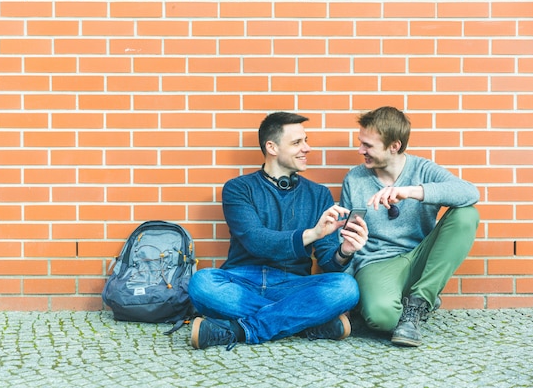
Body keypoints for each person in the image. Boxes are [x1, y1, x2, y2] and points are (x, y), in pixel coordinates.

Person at [188, 111, 368, 350]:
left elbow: (329, 262)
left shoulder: (319, 194)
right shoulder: (238, 189)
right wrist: (312, 234)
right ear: (272, 147)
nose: (307, 148)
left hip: (293, 285)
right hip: (242, 281)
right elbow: (257, 240)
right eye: (297, 142)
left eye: (305, 140)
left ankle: (240, 329)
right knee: (202, 283)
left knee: (345, 287)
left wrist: (344, 251)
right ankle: (305, 322)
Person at [339, 106, 480, 347]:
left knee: (466, 214)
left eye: (368, 145)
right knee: (381, 317)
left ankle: (418, 302)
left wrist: (412, 192)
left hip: (420, 256)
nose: (361, 150)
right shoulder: (355, 179)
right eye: (361, 143)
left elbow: (469, 192)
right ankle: (407, 307)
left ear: (394, 146)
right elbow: (348, 240)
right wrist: (345, 301)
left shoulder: (422, 170)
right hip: (378, 263)